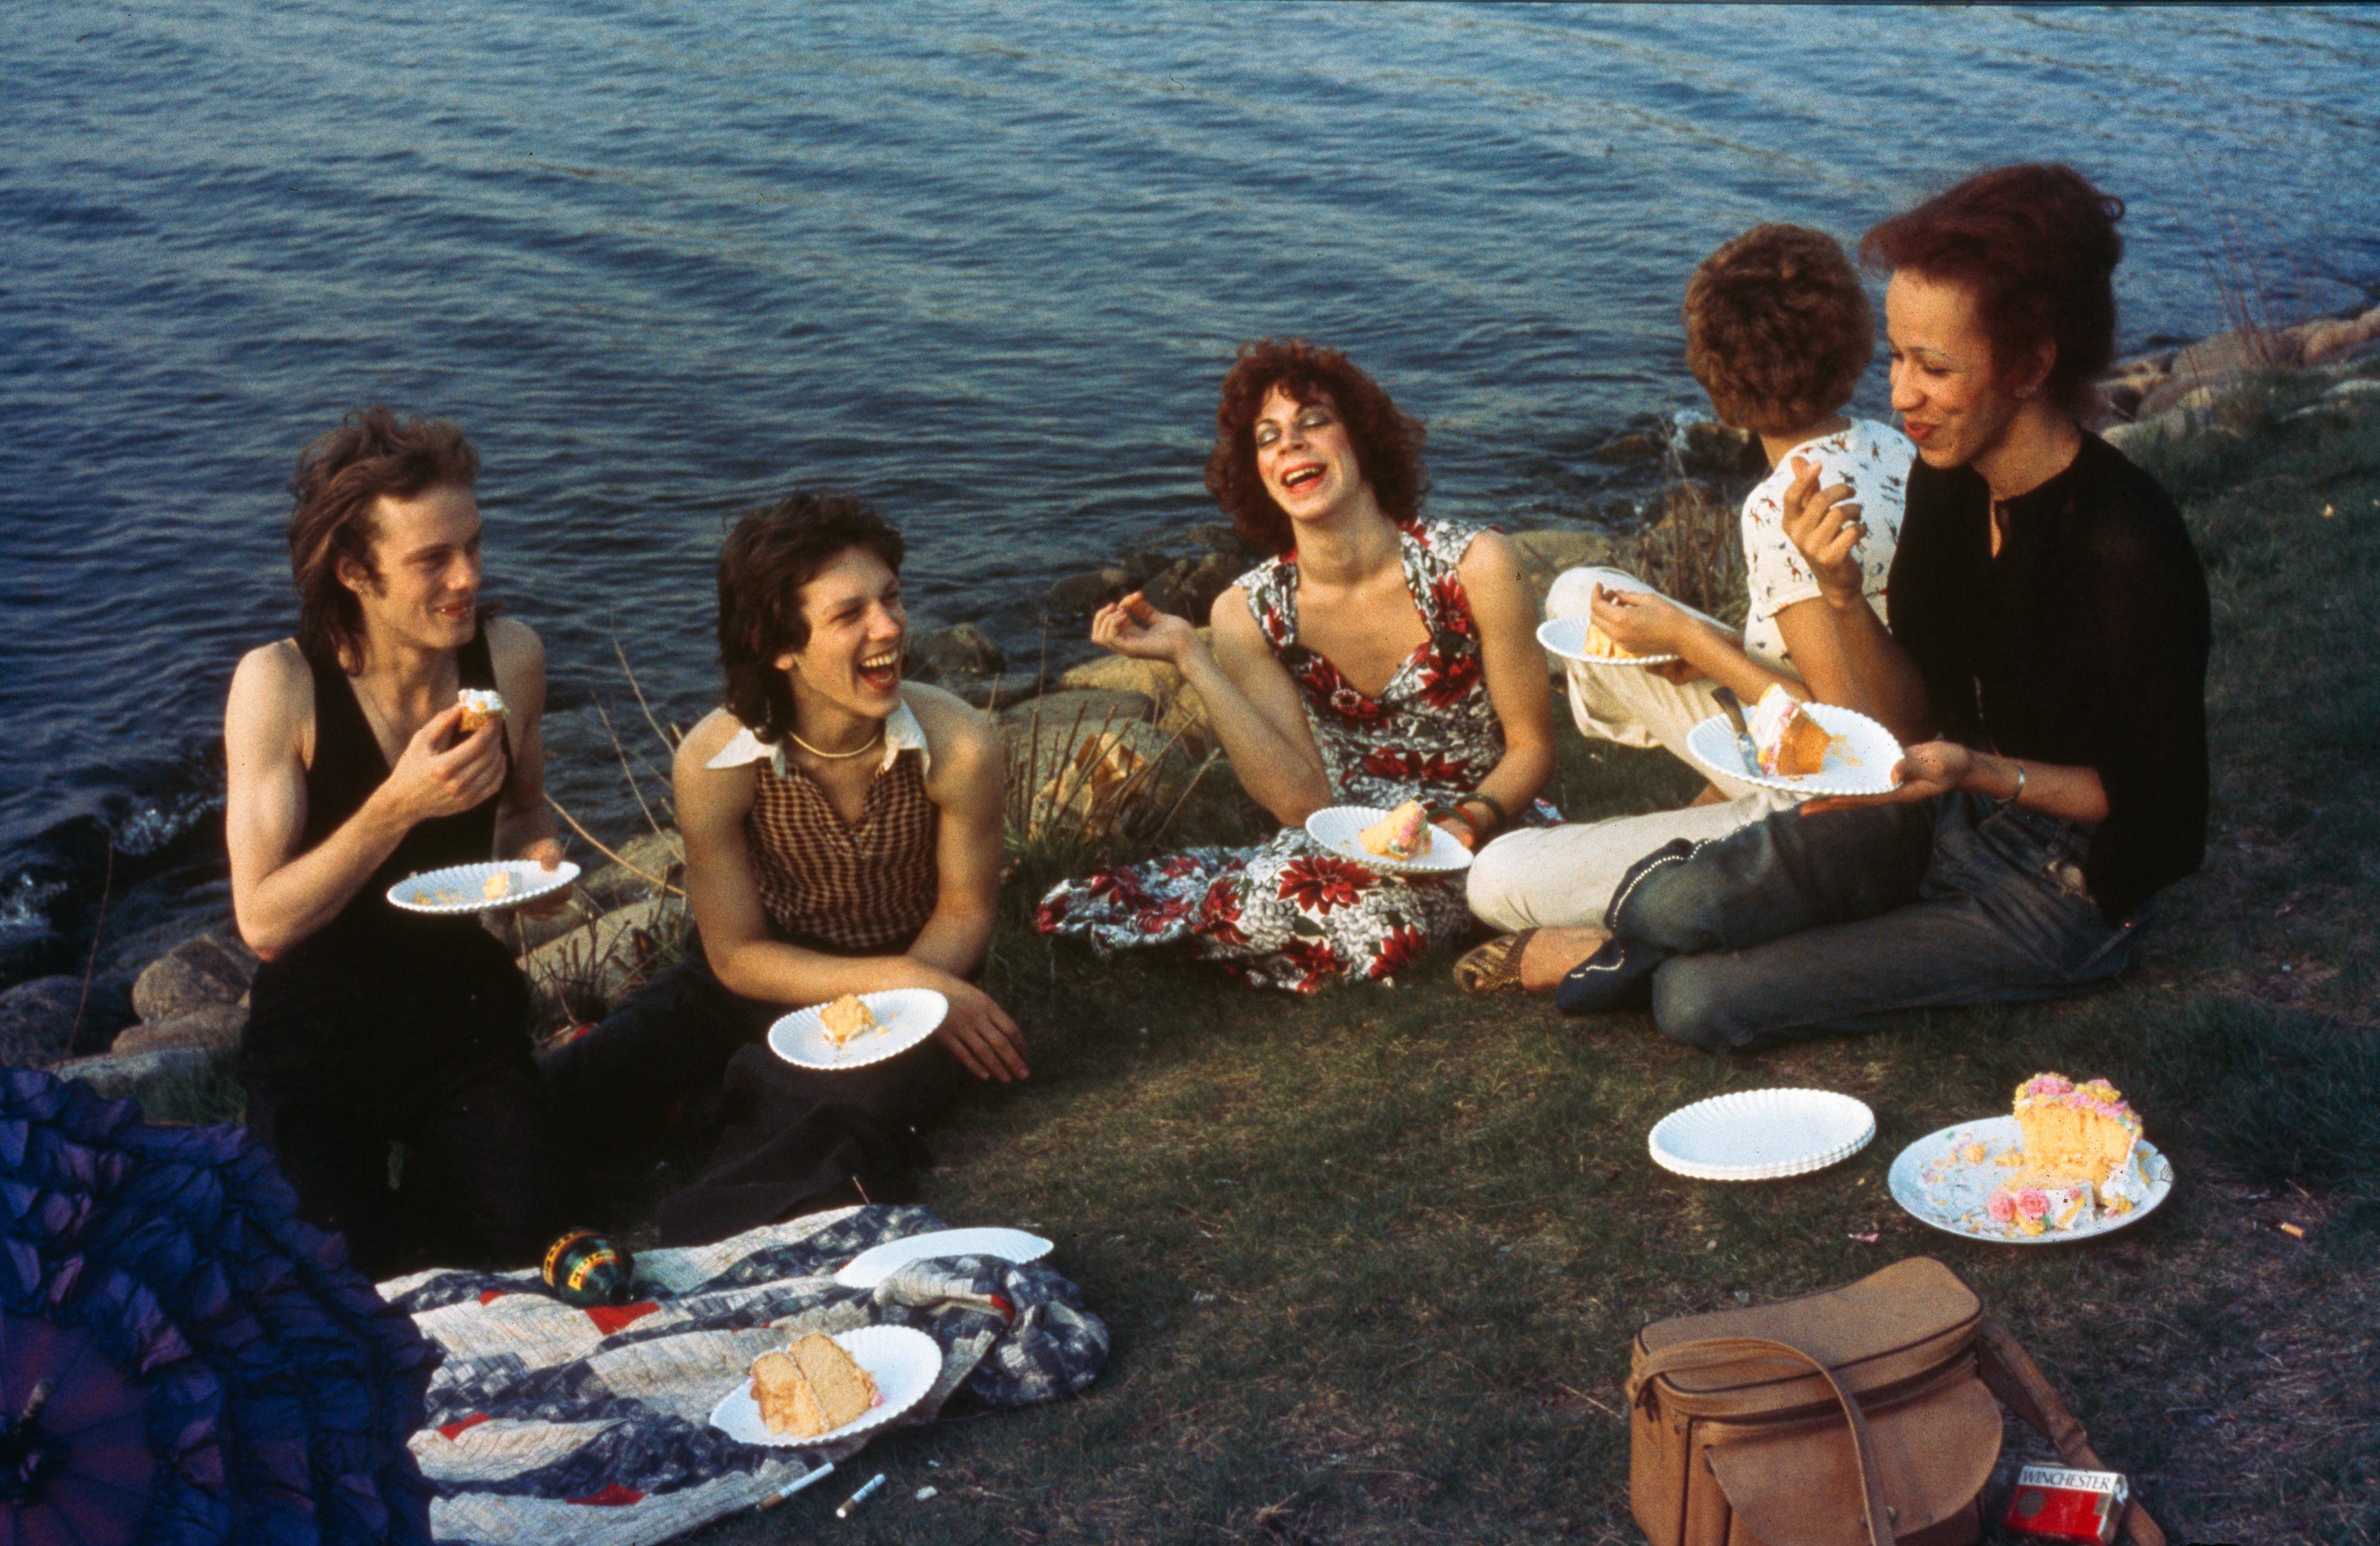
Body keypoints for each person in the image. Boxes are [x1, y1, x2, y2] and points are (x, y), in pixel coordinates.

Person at [1530, 164, 2209, 1050]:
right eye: (1896, 358)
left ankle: (1664, 950)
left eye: (1935, 368)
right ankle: (1660, 928)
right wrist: (1845, 598)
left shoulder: (2127, 544)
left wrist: (1977, 771)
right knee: (1675, 901)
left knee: (1696, 1001)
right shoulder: (1948, 482)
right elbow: (1906, 717)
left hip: (2071, 889)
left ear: (2033, 364)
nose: (1899, 397)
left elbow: (2163, 821)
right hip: (1949, 811)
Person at [543, 491, 1024, 1243]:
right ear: (778, 644)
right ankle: (712, 1096)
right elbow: (736, 954)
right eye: (850, 614)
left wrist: (915, 992)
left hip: (918, 976)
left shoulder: (958, 745)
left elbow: (964, 913)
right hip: (761, 978)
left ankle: (701, 1243)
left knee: (822, 1108)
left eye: (892, 599)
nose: (890, 627)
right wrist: (911, 985)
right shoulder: (715, 759)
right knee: (576, 1088)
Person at [1460, 223, 1915, 991]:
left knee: (1495, 877)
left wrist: (1691, 641)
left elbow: (1849, 746)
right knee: (1582, 595)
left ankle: (1646, 908)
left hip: (1834, 800)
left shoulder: (1781, 506)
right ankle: (1701, 811)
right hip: (1842, 736)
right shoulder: (1889, 445)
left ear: (1720, 385)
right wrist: (1694, 643)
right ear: (1856, 342)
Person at [1035, 339, 1557, 991]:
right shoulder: (1246, 612)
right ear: (1257, 471)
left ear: (1363, 441)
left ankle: (1232, 935)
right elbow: (1300, 801)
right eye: (1268, 436)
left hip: (1489, 822)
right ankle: (1247, 919)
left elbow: (1533, 745)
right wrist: (1193, 659)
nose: (1291, 445)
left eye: (1315, 422)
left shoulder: (1476, 564)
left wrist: (1466, 822)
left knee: (1367, 926)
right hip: (1345, 842)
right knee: (1293, 891)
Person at [226, 406, 565, 1276]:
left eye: (475, 547)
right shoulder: (281, 686)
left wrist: (541, 867)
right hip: (318, 1042)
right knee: (335, 1282)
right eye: (432, 561)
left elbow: (527, 813)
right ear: (354, 572)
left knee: (523, 1251)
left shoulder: (510, 657)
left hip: (458, 1015)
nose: (468, 578)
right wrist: (398, 804)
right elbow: (263, 922)